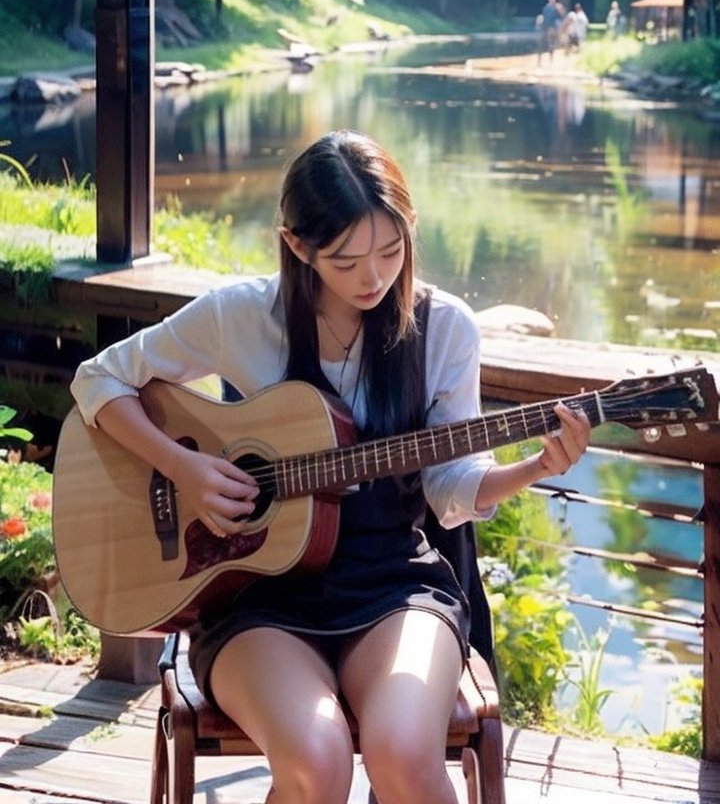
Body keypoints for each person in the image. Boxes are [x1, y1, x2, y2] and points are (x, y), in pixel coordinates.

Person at [70, 131, 590, 804]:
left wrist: (530, 469)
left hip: (395, 588)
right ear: (296, 247)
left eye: (390, 250)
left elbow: (451, 486)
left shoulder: (446, 329)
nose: (373, 278)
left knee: (404, 755)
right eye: (345, 261)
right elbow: (98, 379)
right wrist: (184, 469)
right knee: (316, 765)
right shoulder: (243, 316)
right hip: (253, 596)